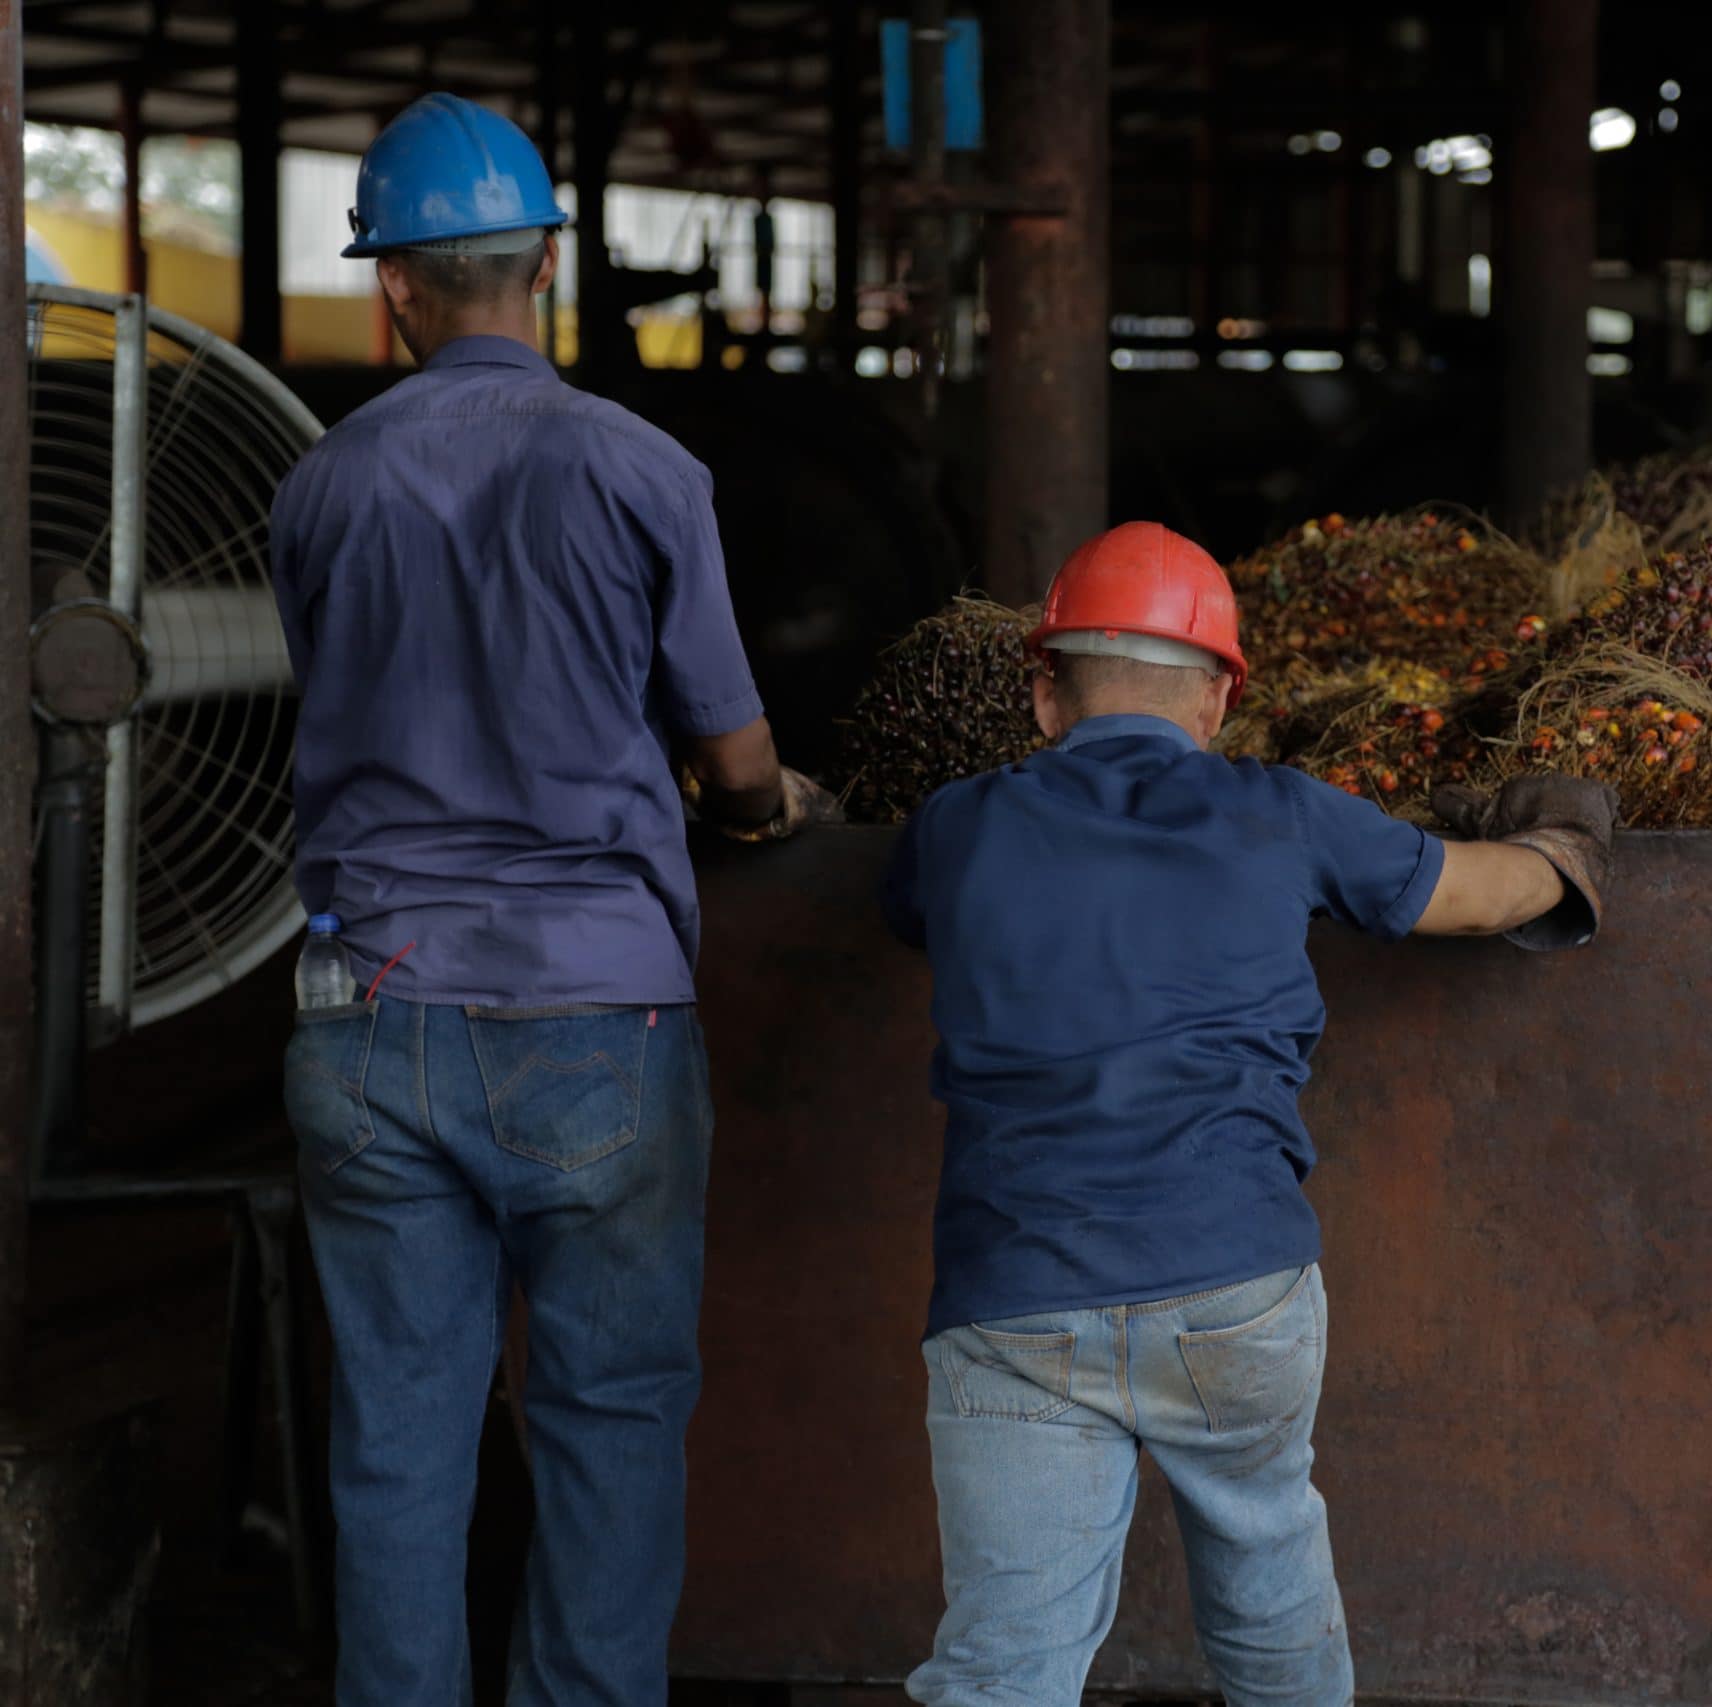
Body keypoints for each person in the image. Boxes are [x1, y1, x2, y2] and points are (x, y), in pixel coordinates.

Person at [269, 92, 830, 1706]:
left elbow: (339, 695)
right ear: (548, 269)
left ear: (393, 285)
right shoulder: (643, 469)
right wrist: (757, 809)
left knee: (398, 1439)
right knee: (607, 1421)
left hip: (369, 1010)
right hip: (597, 1015)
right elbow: (735, 751)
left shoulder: (322, 485)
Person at [883, 521, 1615, 1704]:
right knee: (1269, 1596)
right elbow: (1485, 898)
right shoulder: (1285, 813)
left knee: (1003, 1664)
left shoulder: (956, 826)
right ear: (1220, 699)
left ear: (1044, 694)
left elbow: (911, 906)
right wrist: (1561, 844)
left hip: (1015, 1297)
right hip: (1232, 1286)